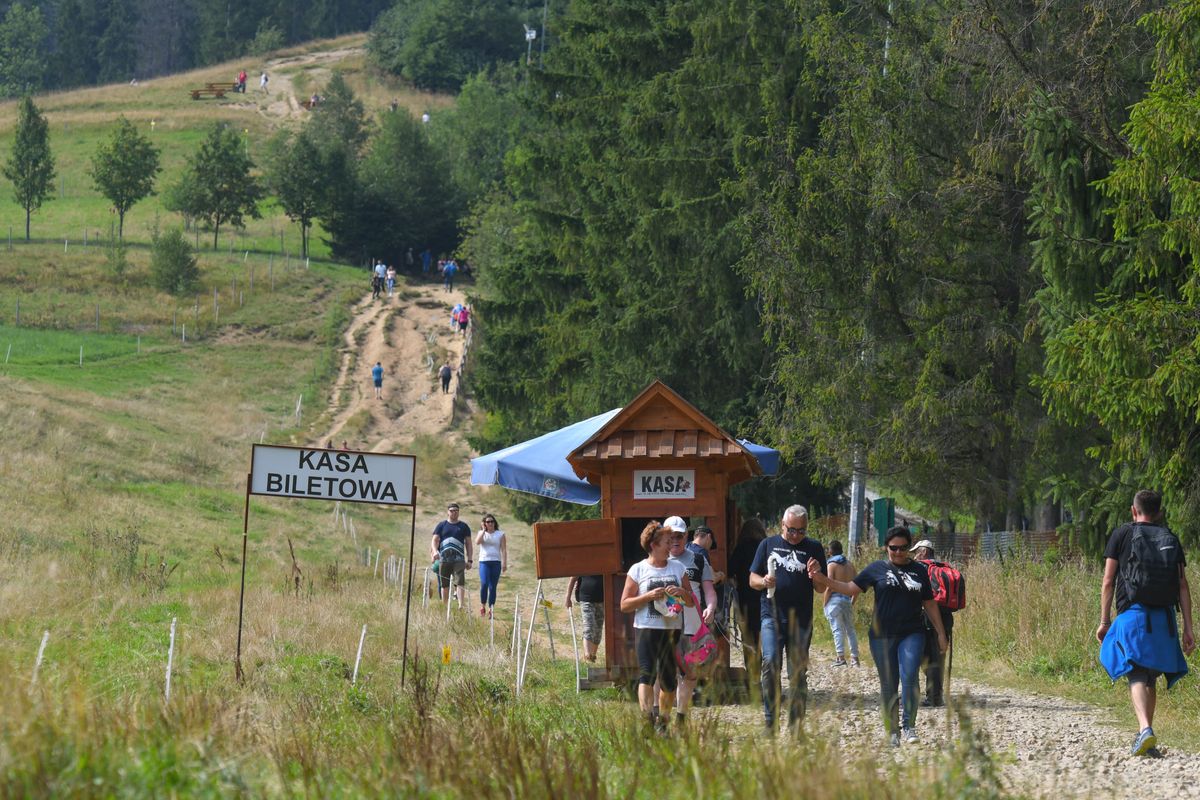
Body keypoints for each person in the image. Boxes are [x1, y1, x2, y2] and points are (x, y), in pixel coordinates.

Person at [808, 527, 947, 747]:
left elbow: (929, 602)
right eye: (894, 548)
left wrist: (940, 632)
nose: (899, 552)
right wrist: (823, 579)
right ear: (886, 547)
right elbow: (850, 587)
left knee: (910, 675)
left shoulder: (919, 570)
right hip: (882, 636)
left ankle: (909, 726)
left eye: (903, 548)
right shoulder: (877, 569)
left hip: (912, 632)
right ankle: (892, 731)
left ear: (909, 548)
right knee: (889, 683)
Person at [1097, 490, 1194, 757]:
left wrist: (1105, 621)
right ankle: (1146, 735)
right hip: (1164, 619)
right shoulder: (1170, 538)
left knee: (1137, 673)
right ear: (1159, 513)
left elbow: (1108, 581)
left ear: (1133, 510)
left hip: (1133, 616)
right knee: (1150, 677)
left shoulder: (1122, 534)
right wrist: (1188, 627)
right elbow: (1182, 586)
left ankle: (1144, 730)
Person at [748, 505, 826, 734]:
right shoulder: (767, 545)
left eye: (801, 531)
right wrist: (763, 582)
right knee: (770, 663)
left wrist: (817, 574)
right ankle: (771, 722)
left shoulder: (813, 548)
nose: (795, 536)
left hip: (801, 620)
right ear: (782, 525)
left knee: (797, 673)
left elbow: (821, 588)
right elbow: (751, 578)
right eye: (791, 530)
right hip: (771, 615)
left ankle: (796, 725)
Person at [619, 521, 695, 734]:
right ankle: (646, 723)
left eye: (673, 541)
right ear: (653, 544)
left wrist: (682, 593)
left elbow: (691, 602)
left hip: (672, 631)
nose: (671, 545)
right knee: (646, 675)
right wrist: (648, 596)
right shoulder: (638, 569)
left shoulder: (678, 568)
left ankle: (663, 722)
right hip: (646, 628)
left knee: (669, 681)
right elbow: (624, 604)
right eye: (666, 541)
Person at [664, 516, 716, 724]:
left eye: (679, 535)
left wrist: (711, 607)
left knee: (689, 673)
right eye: (671, 536)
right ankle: (660, 717)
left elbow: (709, 590)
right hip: (664, 624)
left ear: (687, 536)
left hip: (692, 625)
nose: (675, 540)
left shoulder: (698, 559)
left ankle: (681, 718)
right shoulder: (657, 559)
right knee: (664, 672)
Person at [910, 539, 951, 704]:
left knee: (926, 658)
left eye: (916, 552)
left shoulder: (922, 569)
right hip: (946, 618)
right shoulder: (944, 567)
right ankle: (936, 695)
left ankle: (932, 697)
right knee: (938, 657)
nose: (915, 556)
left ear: (924, 552)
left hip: (927, 619)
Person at [730, 517, 766, 674]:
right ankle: (765, 670)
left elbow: (730, 572)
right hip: (764, 597)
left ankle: (753, 672)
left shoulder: (741, 548)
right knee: (764, 635)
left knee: (748, 637)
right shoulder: (765, 547)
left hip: (745, 597)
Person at [823, 540, 859, 667]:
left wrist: (825, 604)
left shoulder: (831, 564)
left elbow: (830, 586)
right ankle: (855, 659)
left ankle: (841, 657)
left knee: (837, 629)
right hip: (846, 600)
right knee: (850, 630)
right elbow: (857, 587)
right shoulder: (850, 565)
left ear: (830, 551)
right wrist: (851, 602)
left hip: (834, 600)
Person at [431, 503, 473, 606]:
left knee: (460, 582)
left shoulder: (464, 526)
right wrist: (435, 552)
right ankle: (444, 606)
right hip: (444, 560)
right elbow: (434, 540)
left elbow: (468, 543)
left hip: (459, 560)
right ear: (447, 512)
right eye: (452, 510)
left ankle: (461, 605)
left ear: (458, 512)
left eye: (456, 510)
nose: (454, 512)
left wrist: (470, 559)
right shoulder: (442, 525)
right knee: (444, 584)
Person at [473, 513, 506, 617]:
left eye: (492, 521)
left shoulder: (500, 534)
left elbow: (504, 549)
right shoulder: (481, 533)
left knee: (493, 587)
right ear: (484, 524)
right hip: (484, 562)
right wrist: (483, 531)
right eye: (488, 522)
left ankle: (491, 608)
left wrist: (504, 563)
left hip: (496, 562)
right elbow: (477, 542)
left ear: (494, 523)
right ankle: (483, 605)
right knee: (484, 583)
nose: (490, 523)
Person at [566, 574, 604, 663]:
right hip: (586, 598)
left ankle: (592, 657)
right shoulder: (583, 562)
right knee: (589, 627)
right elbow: (573, 578)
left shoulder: (604, 562)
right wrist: (567, 598)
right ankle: (587, 656)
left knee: (598, 630)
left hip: (602, 599)